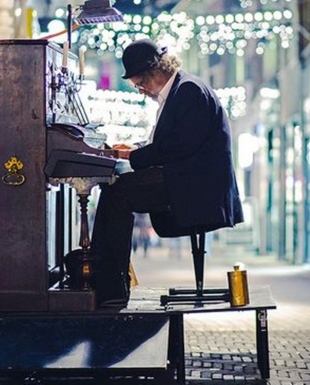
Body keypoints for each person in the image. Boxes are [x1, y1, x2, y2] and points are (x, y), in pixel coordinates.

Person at [90, 38, 244, 307]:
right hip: (189, 179)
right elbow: (169, 143)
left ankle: (110, 287)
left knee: (118, 192)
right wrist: (136, 148)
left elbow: (180, 146)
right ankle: (109, 281)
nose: (141, 91)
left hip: (199, 188)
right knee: (116, 189)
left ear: (154, 72)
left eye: (140, 84)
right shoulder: (180, 90)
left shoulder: (189, 91)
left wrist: (134, 155)